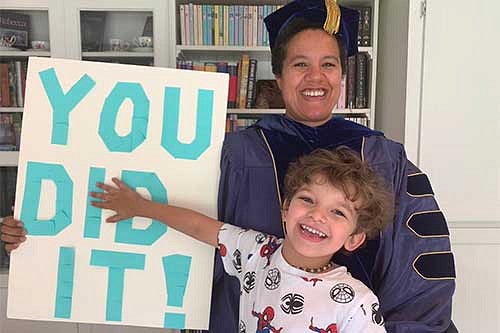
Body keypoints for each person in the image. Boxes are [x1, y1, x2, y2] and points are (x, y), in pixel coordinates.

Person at [1, 0, 457, 332]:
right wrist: (42, 229)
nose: (315, 77)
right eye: (299, 64)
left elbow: (419, 268)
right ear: (278, 77)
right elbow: (163, 209)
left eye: (329, 65)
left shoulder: (383, 157)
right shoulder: (236, 151)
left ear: (342, 74)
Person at [88, 147, 392, 332]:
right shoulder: (256, 252)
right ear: (286, 209)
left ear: (353, 239)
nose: (318, 215)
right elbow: (198, 226)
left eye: (337, 212)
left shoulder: (356, 302)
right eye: (308, 199)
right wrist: (141, 207)